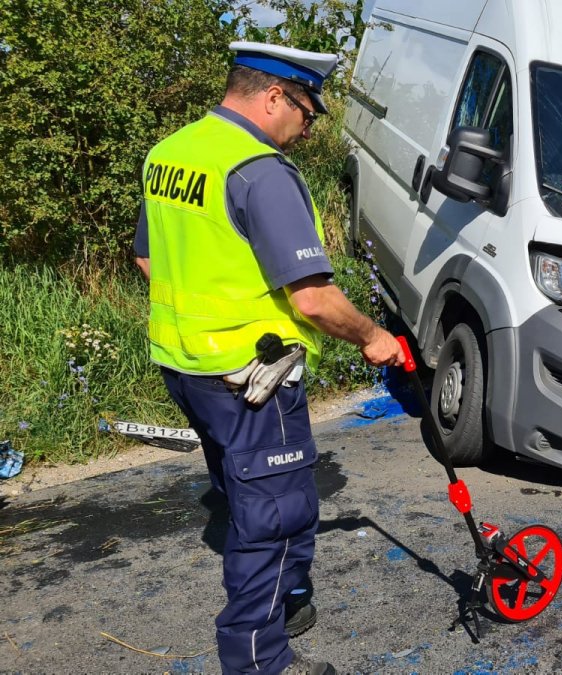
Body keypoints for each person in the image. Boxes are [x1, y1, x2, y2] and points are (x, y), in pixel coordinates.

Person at [133, 41, 405, 675]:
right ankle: (260, 660)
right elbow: (314, 300)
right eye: (307, 113)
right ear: (275, 96)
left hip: (185, 365)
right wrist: (373, 336)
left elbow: (147, 258)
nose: (307, 129)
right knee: (276, 517)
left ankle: (288, 601)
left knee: (241, 492)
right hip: (251, 378)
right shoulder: (259, 170)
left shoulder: (171, 152)